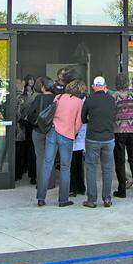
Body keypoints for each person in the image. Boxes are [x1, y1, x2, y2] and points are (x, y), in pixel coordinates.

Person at [37, 73, 83, 207]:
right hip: (67, 135)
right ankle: (63, 200)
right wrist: (72, 133)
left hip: (52, 132)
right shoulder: (79, 102)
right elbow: (78, 122)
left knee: (47, 164)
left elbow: (52, 113)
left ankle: (41, 197)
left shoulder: (58, 96)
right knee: (65, 167)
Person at [82, 75, 117, 208]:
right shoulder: (111, 99)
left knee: (91, 168)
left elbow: (82, 118)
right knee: (107, 169)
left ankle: (91, 200)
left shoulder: (89, 100)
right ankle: (107, 199)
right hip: (108, 138)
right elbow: (114, 116)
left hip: (93, 138)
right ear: (104, 86)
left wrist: (90, 121)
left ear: (93, 87)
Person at [112, 73, 133, 198]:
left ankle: (122, 190)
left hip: (119, 130)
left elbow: (112, 112)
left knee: (119, 161)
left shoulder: (114, 96)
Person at [23, 76, 56, 190]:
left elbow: (29, 114)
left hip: (38, 131)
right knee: (50, 157)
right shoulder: (57, 98)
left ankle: (42, 183)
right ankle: (51, 183)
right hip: (52, 130)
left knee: (40, 157)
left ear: (42, 87)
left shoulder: (38, 98)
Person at [14, 75, 36, 183]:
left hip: (33, 124)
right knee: (24, 147)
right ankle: (23, 169)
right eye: (29, 79)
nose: (31, 81)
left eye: (32, 79)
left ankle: (31, 172)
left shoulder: (37, 95)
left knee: (31, 147)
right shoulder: (21, 96)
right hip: (23, 124)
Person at [70, 120, 87, 197]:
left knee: (72, 167)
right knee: (79, 167)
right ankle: (80, 188)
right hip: (80, 143)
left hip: (72, 143)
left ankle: (73, 189)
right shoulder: (83, 115)